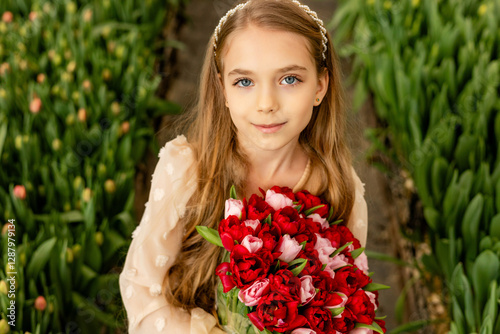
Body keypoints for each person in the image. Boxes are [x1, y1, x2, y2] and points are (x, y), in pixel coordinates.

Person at [119, 0, 368, 332]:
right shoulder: (188, 171)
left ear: (320, 86)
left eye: (290, 79)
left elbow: (349, 302)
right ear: (222, 89)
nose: (266, 104)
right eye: (245, 82)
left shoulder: (338, 185)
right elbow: (142, 291)